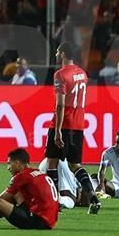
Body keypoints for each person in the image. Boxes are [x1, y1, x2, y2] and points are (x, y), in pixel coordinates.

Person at [44, 41, 101, 215]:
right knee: (75, 164)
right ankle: (93, 197)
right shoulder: (82, 74)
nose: (56, 54)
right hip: (78, 125)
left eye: (57, 52)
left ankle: (54, 202)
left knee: (51, 163)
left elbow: (60, 105)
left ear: (63, 54)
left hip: (63, 124)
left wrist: (58, 131)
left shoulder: (60, 75)